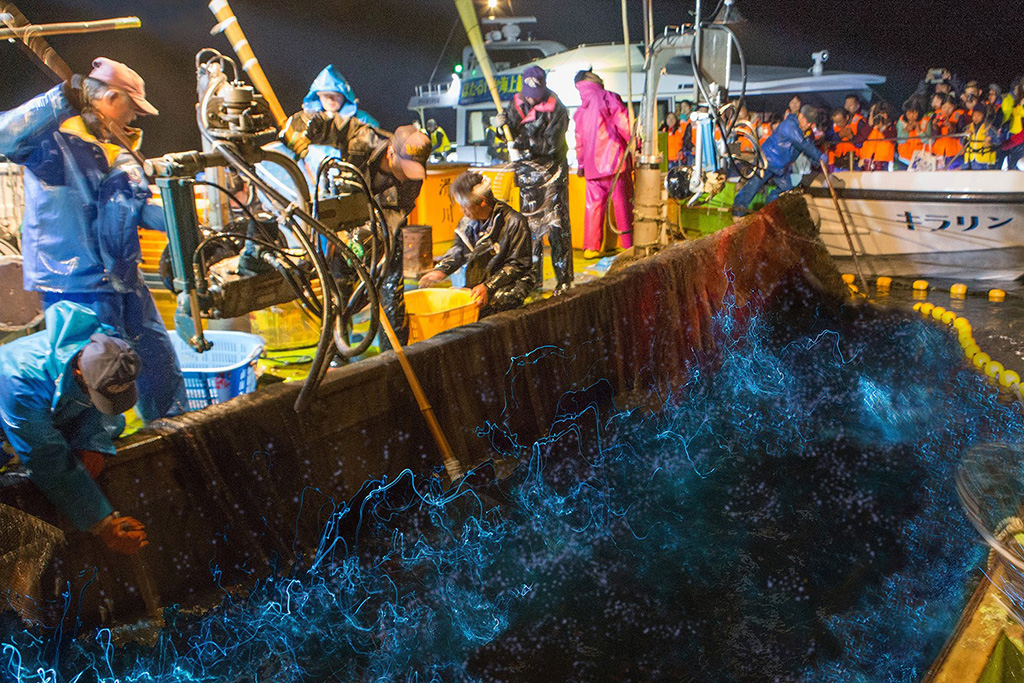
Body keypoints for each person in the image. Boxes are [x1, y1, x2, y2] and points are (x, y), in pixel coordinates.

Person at [0, 57, 187, 422]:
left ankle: (174, 431)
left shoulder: (118, 151)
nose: (133, 119)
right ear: (111, 97)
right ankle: (100, 448)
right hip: (76, 285)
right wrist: (61, 97)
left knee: (157, 359)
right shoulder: (52, 143)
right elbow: (5, 134)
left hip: (124, 278)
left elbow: (135, 210)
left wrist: (184, 229)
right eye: (132, 109)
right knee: (95, 375)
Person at [0, 301, 149, 554]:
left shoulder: (109, 348)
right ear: (79, 371)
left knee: (113, 425)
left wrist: (92, 442)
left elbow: (91, 408)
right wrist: (103, 522)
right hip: (13, 413)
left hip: (46, 412)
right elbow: (46, 456)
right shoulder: (20, 381)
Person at [282, 116, 432, 348]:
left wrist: (369, 239)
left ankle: (393, 355)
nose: (408, 175)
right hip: (343, 225)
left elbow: (396, 216)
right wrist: (306, 130)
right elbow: (323, 122)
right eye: (405, 167)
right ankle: (335, 352)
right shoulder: (361, 139)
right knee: (338, 293)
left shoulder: (413, 178)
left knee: (391, 292)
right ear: (391, 153)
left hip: (384, 232)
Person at [494, 65, 573, 294]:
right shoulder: (516, 102)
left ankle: (564, 279)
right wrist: (501, 130)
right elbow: (509, 133)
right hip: (527, 177)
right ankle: (532, 281)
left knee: (556, 226)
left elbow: (552, 145)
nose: (530, 98)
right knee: (530, 229)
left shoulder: (557, 108)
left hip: (551, 173)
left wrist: (520, 148)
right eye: (527, 93)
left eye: (534, 94)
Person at [417, 172, 533, 317]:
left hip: (509, 284)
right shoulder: (467, 222)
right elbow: (459, 249)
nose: (462, 211)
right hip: (481, 282)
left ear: (482, 201)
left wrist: (488, 287)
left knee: (494, 304)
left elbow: (518, 265)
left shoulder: (514, 222)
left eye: (465, 205)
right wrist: (441, 270)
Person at [573, 70, 633, 258]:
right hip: (615, 162)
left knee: (593, 207)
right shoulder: (608, 97)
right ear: (589, 79)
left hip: (591, 169)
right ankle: (627, 244)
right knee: (622, 204)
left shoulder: (580, 110)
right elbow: (624, 124)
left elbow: (579, 141)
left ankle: (591, 248)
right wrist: (637, 144)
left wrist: (581, 165)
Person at [733, 104, 827, 217]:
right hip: (767, 161)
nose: (808, 125)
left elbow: (807, 146)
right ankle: (737, 212)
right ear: (800, 116)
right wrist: (818, 155)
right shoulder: (789, 125)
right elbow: (802, 144)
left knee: (785, 189)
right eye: (807, 121)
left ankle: (769, 211)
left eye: (811, 123)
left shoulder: (804, 132)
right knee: (753, 186)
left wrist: (816, 161)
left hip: (781, 167)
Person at [931, 93, 967, 168]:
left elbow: (960, 133)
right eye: (944, 107)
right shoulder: (937, 115)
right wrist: (934, 126)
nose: (946, 110)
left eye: (950, 107)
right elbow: (932, 135)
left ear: (955, 106)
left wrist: (951, 126)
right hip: (938, 153)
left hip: (955, 154)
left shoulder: (960, 115)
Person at [963, 104, 1002, 170]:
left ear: (983, 116)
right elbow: (962, 142)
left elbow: (998, 142)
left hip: (985, 161)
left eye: (979, 116)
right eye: (974, 115)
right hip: (971, 160)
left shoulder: (989, 128)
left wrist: (991, 140)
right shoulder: (968, 127)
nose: (976, 118)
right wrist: (965, 136)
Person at [896, 95, 931, 169]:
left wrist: (919, 131)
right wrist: (906, 130)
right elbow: (900, 140)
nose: (911, 116)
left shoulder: (926, 120)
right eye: (908, 113)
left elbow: (929, 141)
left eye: (914, 113)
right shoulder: (901, 121)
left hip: (921, 159)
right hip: (904, 160)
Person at [859, 101, 895, 171]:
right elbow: (858, 139)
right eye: (872, 112)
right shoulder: (867, 126)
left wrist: (882, 128)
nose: (873, 115)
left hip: (884, 162)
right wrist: (869, 126)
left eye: (876, 113)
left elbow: (893, 139)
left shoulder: (893, 126)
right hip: (867, 162)